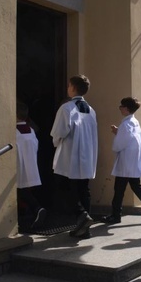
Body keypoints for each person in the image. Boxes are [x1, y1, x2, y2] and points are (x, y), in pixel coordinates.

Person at [50, 75, 98, 239]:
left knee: (63, 186)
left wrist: (55, 142)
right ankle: (84, 229)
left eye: (69, 85)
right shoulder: (91, 110)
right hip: (87, 154)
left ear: (72, 88)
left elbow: (59, 132)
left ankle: (82, 214)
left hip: (71, 154)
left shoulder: (67, 108)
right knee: (83, 189)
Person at [103, 97, 141, 225]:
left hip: (126, 162)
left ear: (126, 109)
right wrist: (119, 132)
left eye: (121, 106)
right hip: (132, 161)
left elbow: (120, 143)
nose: (120, 108)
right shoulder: (133, 122)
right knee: (135, 186)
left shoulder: (126, 124)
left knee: (119, 188)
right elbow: (129, 138)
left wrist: (117, 134)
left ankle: (115, 215)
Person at [16, 102, 46, 227]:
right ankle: (30, 211)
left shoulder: (14, 131)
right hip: (31, 164)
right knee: (23, 190)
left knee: (20, 190)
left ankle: (37, 208)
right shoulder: (31, 130)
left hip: (19, 166)